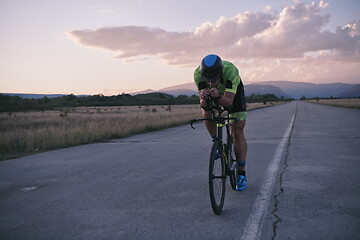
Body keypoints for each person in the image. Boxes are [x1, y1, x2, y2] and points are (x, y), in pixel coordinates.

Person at [193, 54, 248, 191]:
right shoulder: (198, 74)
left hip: (233, 96)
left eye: (215, 79)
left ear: (220, 73)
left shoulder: (231, 71)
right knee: (207, 112)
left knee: (237, 130)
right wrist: (204, 98)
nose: (211, 82)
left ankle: (241, 173)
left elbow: (228, 103)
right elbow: (203, 104)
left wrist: (217, 95)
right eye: (208, 80)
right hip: (213, 95)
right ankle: (216, 142)